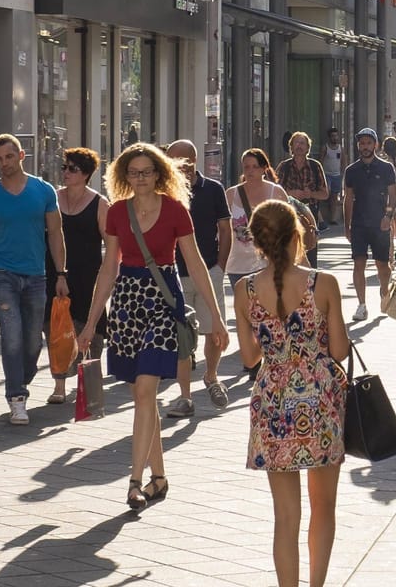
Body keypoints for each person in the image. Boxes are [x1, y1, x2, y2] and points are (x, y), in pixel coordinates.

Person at [78, 142, 229, 510]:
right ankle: (159, 477)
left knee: (145, 392)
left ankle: (135, 482)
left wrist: (218, 317)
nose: (140, 178)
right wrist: (92, 322)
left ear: (160, 173)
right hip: (127, 305)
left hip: (164, 301)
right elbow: (109, 268)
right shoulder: (116, 213)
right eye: (133, 172)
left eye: (147, 171)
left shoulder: (177, 210)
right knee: (142, 395)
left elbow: (194, 263)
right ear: (123, 176)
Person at [238, 199, 347, 587]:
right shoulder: (324, 283)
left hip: (273, 399)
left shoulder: (245, 288)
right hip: (319, 398)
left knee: (285, 516)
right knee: (324, 507)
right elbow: (338, 351)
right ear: (296, 234)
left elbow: (250, 356)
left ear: (257, 241)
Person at [0, 135, 66, 425]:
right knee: (11, 337)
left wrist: (62, 273)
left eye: (8, 157)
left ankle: (20, 378)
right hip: (3, 275)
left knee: (33, 341)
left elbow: (56, 234)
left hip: (36, 276)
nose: (3, 164)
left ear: (21, 155)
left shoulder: (43, 190)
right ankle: (16, 397)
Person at [169, 139, 233, 416]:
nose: (175, 166)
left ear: (194, 160)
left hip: (208, 269)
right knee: (182, 336)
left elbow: (225, 228)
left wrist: (220, 265)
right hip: (175, 273)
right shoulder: (166, 191)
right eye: (171, 160)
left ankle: (211, 376)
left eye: (180, 161)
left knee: (213, 330)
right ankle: (185, 396)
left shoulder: (213, 189)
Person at [46, 147, 110, 416]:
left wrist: (110, 277)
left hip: (88, 276)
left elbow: (111, 244)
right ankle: (59, 386)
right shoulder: (52, 199)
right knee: (57, 331)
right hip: (57, 273)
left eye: (72, 169)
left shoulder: (100, 203)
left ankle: (91, 388)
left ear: (86, 174)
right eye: (64, 167)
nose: (66, 173)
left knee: (91, 333)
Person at [342, 128, 396, 323]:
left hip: (380, 223)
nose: (364, 146)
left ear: (375, 145)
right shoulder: (351, 170)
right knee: (359, 263)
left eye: (368, 143)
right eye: (361, 143)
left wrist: (388, 216)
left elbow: (393, 195)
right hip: (359, 224)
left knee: (382, 264)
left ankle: (385, 291)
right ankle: (362, 305)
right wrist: (346, 225)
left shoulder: (386, 168)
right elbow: (348, 199)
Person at [225, 149, 292, 298]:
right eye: (246, 167)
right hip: (237, 264)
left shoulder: (276, 192)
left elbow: (289, 227)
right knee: (245, 310)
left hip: (267, 263)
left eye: (255, 166)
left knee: (265, 309)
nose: (250, 171)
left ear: (264, 168)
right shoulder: (231, 194)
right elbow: (222, 229)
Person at [277, 133, 330, 256]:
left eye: (302, 143)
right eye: (296, 142)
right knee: (288, 254)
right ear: (291, 146)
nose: (299, 146)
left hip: (309, 215)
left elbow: (325, 194)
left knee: (310, 253)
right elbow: (273, 192)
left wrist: (310, 194)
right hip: (288, 215)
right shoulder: (284, 166)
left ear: (307, 148)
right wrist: (291, 193)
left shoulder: (315, 166)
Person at [320, 129, 345, 227]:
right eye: (333, 136)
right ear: (329, 137)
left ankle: (333, 218)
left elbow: (343, 161)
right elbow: (321, 161)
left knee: (334, 197)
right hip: (327, 174)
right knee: (327, 192)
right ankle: (321, 215)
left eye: (336, 136)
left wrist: (343, 173)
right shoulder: (325, 148)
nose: (335, 138)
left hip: (337, 175)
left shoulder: (340, 148)